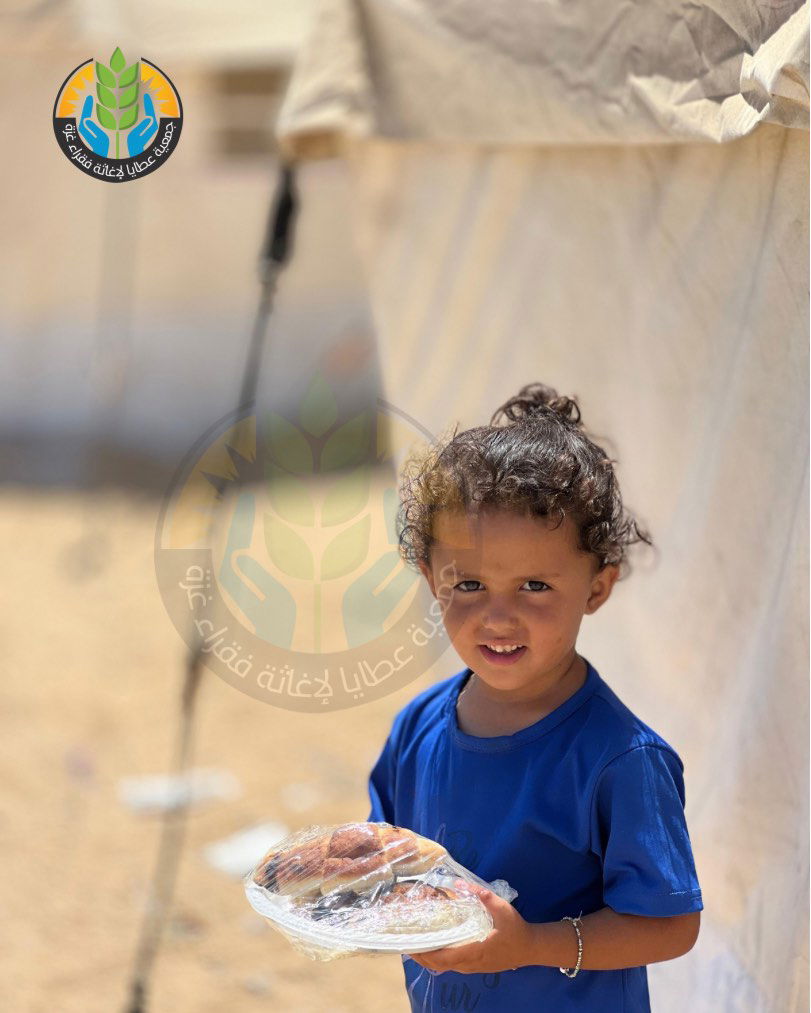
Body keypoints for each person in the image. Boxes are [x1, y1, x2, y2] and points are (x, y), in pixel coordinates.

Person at [366, 382, 703, 1011]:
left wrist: (531, 945)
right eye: (469, 584)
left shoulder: (621, 760)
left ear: (597, 589)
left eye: (535, 586)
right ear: (432, 580)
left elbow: (672, 924)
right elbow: (387, 855)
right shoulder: (418, 727)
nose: (498, 617)